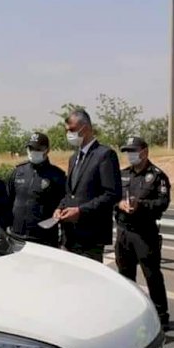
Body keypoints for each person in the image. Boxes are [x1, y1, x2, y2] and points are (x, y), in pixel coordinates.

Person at [115, 136, 172, 330]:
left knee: (152, 275)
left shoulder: (157, 176)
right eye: (127, 152)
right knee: (124, 276)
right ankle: (128, 314)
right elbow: (113, 197)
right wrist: (119, 203)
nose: (130, 155)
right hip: (123, 232)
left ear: (144, 152)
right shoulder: (122, 175)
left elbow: (162, 203)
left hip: (145, 234)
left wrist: (141, 206)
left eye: (133, 151)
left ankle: (161, 316)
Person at [53, 109, 122, 262]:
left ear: (85, 128)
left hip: (90, 236)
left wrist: (80, 211)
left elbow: (112, 194)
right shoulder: (73, 158)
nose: (68, 134)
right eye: (67, 130)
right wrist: (60, 207)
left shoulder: (104, 155)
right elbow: (70, 192)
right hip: (69, 235)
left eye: (72, 130)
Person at [7, 132, 66, 246]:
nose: (33, 151)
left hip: (44, 239)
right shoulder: (18, 172)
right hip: (16, 237)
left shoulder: (57, 175)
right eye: (31, 148)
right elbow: (8, 200)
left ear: (47, 150)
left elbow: (63, 203)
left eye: (38, 149)